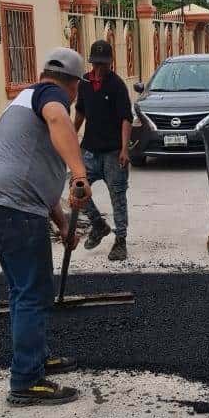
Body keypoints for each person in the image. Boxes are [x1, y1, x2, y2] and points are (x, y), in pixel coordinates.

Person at [0, 48, 92, 407]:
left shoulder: (21, 102)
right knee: (33, 293)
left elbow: (38, 181)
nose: (74, 96)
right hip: (14, 209)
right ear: (72, 84)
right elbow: (59, 119)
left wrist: (63, 227)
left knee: (22, 290)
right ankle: (25, 381)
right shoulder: (50, 94)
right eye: (77, 89)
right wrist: (80, 173)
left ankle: (36, 360)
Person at [74, 39, 133, 261]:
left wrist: (124, 149)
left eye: (104, 64)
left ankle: (121, 240)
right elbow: (80, 113)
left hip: (113, 152)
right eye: (97, 64)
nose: (100, 68)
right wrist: (69, 139)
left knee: (117, 197)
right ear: (92, 63)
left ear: (110, 63)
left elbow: (126, 119)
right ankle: (98, 224)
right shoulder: (84, 83)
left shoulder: (117, 85)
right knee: (76, 190)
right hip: (89, 150)